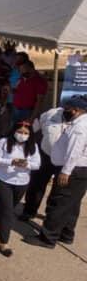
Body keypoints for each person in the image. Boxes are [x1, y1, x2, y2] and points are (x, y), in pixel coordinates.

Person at [34, 95, 87, 248]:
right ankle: (66, 234)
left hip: (73, 170)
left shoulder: (80, 127)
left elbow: (74, 151)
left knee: (59, 203)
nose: (65, 111)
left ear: (76, 110)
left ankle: (48, 238)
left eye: (68, 109)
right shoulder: (80, 122)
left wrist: (66, 171)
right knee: (72, 204)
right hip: (80, 170)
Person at [0, 121, 40, 257]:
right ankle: (4, 243)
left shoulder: (33, 146)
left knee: (9, 207)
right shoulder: (3, 142)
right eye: (20, 132)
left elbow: (37, 164)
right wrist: (11, 161)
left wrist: (26, 164)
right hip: (3, 180)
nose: (22, 135)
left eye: (26, 133)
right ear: (14, 131)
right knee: (8, 212)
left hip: (22, 182)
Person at [20, 106, 66, 222]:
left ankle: (51, 215)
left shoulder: (82, 122)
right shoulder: (52, 112)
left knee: (58, 190)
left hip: (65, 161)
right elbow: (36, 125)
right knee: (36, 184)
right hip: (45, 155)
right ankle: (29, 210)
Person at [11, 60, 47, 125]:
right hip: (16, 109)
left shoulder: (39, 82)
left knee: (25, 133)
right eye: (20, 70)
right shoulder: (21, 79)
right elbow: (16, 91)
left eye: (24, 70)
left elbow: (39, 101)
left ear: (32, 69)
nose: (21, 72)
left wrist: (32, 118)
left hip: (28, 112)